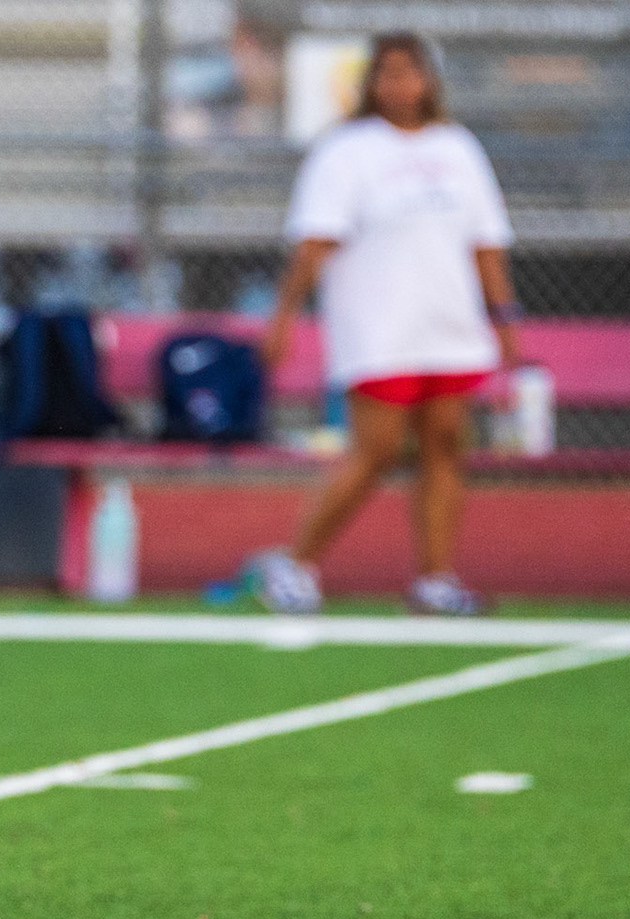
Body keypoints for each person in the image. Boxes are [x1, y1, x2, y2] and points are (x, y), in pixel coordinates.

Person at [248, 32, 519, 616]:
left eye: (410, 72)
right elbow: (314, 241)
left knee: (445, 447)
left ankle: (435, 578)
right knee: (375, 451)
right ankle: (297, 565)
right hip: (379, 327)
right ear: (371, 82)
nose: (400, 85)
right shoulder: (347, 150)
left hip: (449, 324)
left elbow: (486, 242)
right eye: (388, 73)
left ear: (430, 81)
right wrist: (284, 315)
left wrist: (504, 318)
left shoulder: (458, 147)